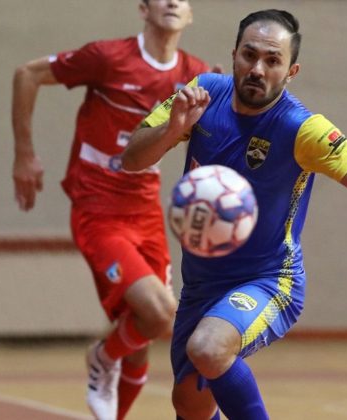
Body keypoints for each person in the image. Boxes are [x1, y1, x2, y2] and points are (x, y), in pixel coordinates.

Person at [122, 9, 347, 419]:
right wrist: (172, 128)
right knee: (189, 404)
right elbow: (131, 159)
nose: (257, 69)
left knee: (208, 348)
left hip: (269, 281)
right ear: (234, 54)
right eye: (249, 55)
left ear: (291, 71)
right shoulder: (202, 93)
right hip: (199, 286)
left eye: (272, 60)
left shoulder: (301, 128)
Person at [11, 1, 219, 418]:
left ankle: (113, 391)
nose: (172, 2)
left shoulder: (197, 76)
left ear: (191, 13)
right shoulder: (108, 57)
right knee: (159, 313)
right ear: (143, 8)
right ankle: (102, 356)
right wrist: (24, 154)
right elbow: (27, 74)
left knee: (141, 332)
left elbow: (214, 133)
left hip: (146, 211)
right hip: (98, 209)